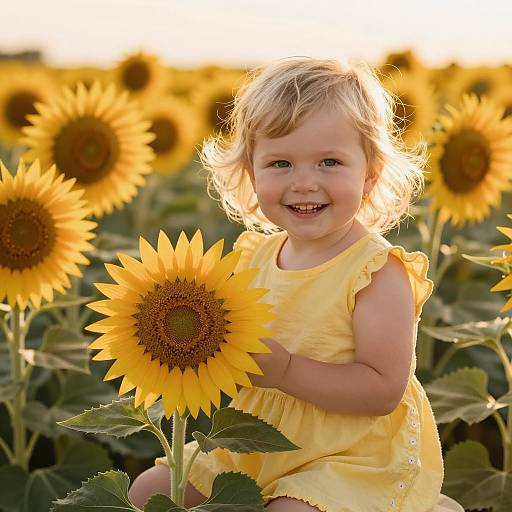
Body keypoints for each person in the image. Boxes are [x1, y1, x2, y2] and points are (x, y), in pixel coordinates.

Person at [129, 57, 464, 512]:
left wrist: (285, 370)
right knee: (148, 490)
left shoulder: (376, 271)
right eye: (280, 163)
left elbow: (383, 390)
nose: (304, 183)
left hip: (345, 456)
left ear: (370, 173)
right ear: (251, 172)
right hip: (250, 443)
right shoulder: (253, 258)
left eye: (329, 162)